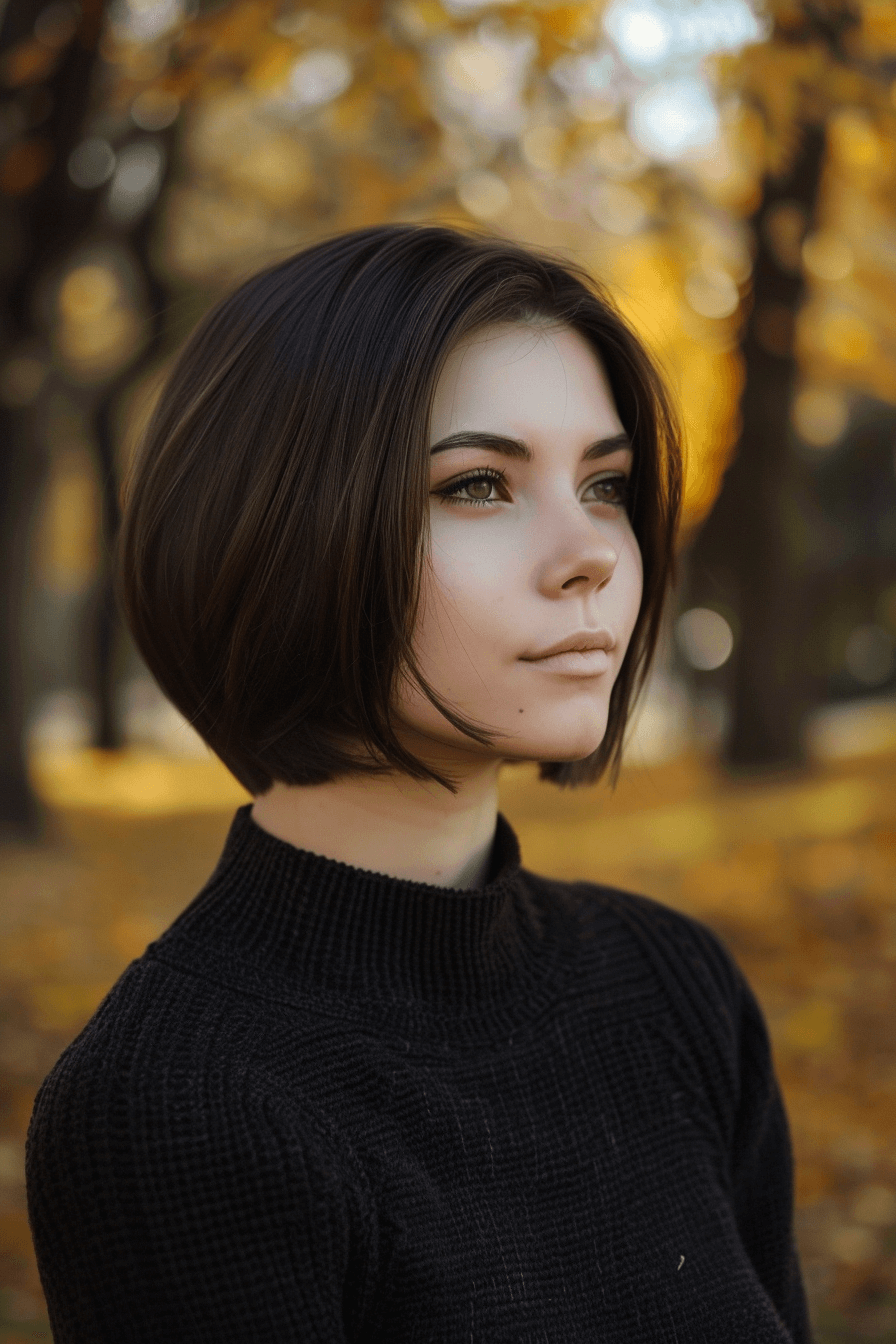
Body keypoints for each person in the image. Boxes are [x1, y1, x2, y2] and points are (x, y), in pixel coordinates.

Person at [26, 225, 812, 1342]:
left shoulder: (673, 986)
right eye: (480, 484)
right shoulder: (180, 1109)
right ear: (280, 528)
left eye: (605, 484)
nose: (588, 551)